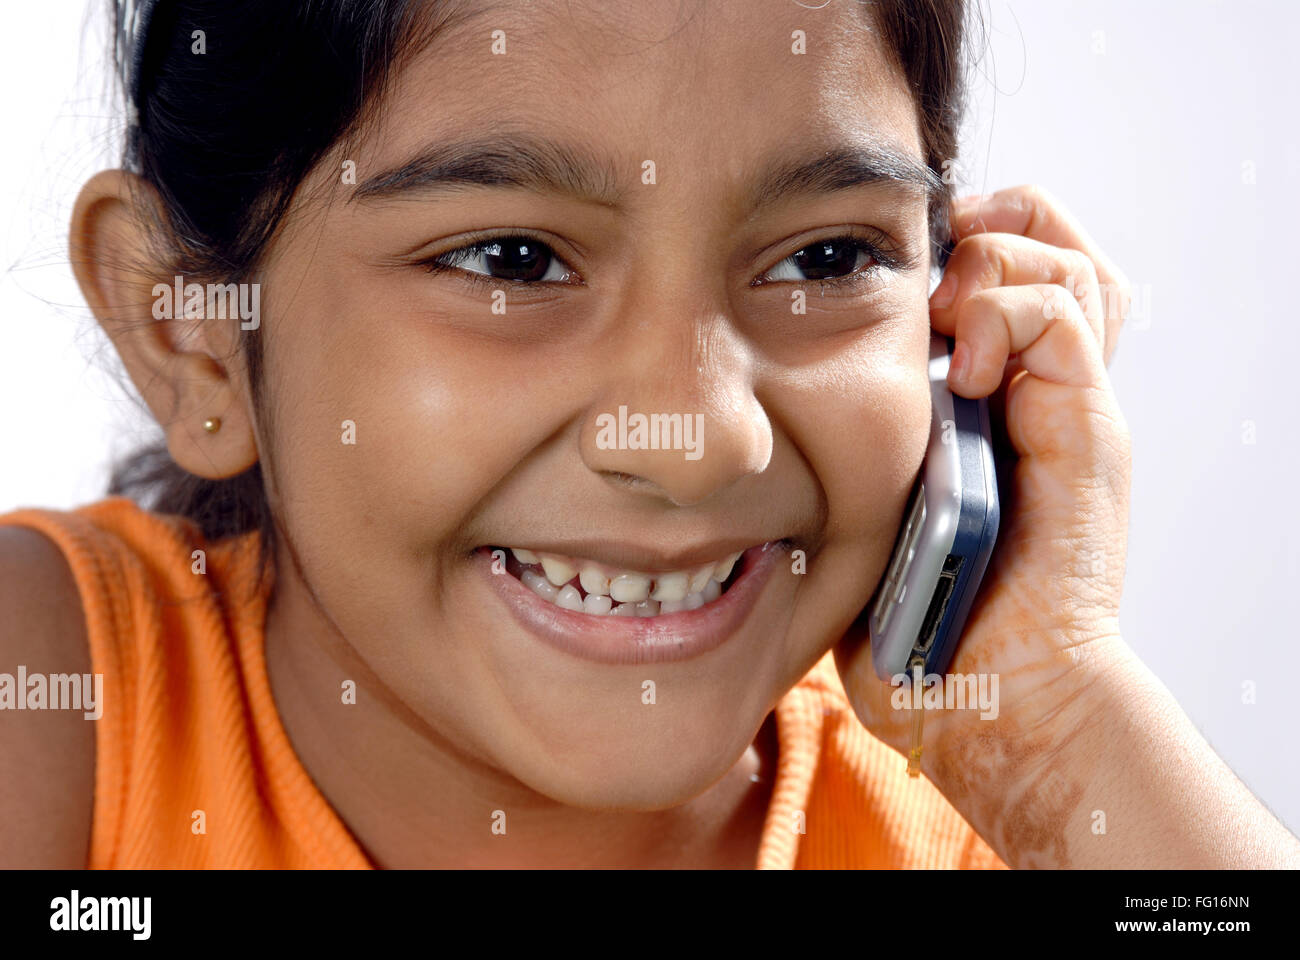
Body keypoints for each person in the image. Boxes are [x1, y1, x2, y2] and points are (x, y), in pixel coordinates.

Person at [2, 0, 1296, 869]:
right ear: (195, 331)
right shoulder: (61, 704)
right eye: (515, 258)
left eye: (828, 254)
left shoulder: (994, 823)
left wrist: (1057, 739)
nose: (695, 438)